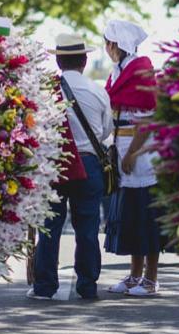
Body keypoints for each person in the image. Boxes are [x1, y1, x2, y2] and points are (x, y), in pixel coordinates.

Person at [28, 33, 113, 300]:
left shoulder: (45, 90)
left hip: (54, 163)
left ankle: (44, 287)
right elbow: (105, 132)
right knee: (88, 228)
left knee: (49, 227)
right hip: (88, 163)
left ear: (59, 62)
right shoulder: (98, 91)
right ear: (85, 61)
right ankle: (87, 285)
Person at [102, 20, 162, 297]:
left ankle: (150, 278)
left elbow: (147, 118)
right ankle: (134, 274)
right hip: (123, 145)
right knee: (131, 213)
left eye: (108, 43)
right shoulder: (118, 72)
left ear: (117, 44)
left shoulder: (141, 71)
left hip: (140, 150)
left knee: (146, 213)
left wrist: (132, 152)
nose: (106, 48)